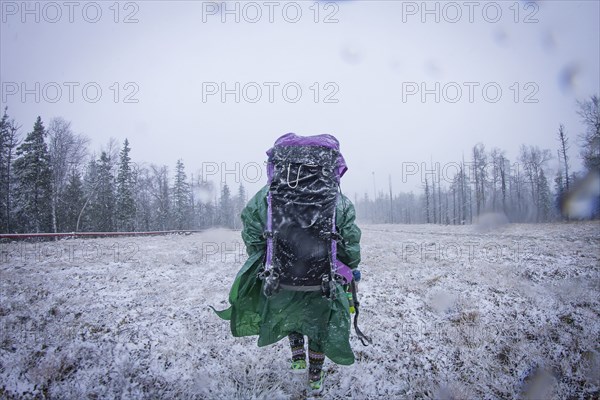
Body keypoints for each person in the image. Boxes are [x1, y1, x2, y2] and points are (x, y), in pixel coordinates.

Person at [214, 133, 362, 393]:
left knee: (293, 315)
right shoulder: (338, 201)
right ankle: (315, 378)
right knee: (319, 324)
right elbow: (349, 243)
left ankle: (297, 361)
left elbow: (250, 228)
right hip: (324, 280)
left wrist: (263, 254)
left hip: (280, 277)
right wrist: (349, 267)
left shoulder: (267, 197)